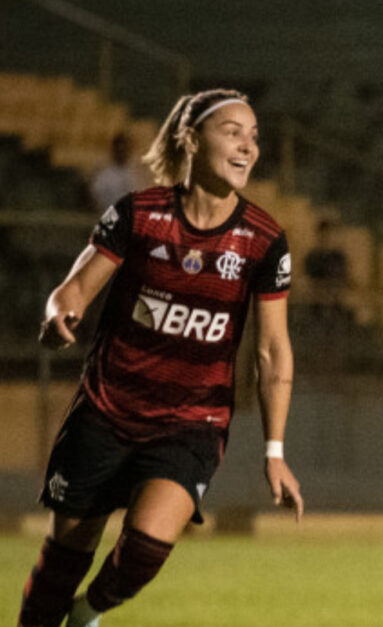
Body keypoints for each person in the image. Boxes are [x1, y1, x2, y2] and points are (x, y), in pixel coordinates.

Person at [17, 88, 304, 627]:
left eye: (255, 136)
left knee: (147, 546)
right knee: (63, 561)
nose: (249, 147)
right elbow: (73, 289)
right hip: (106, 410)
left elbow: (270, 349)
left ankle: (86, 615)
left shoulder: (263, 241)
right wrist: (61, 315)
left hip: (191, 422)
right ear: (191, 139)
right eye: (233, 132)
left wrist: (274, 449)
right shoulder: (139, 214)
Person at [89, 132, 144, 211]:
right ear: (114, 150)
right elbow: (95, 202)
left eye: (125, 149)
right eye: (119, 149)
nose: (122, 152)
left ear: (130, 150)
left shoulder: (137, 175)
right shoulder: (104, 177)